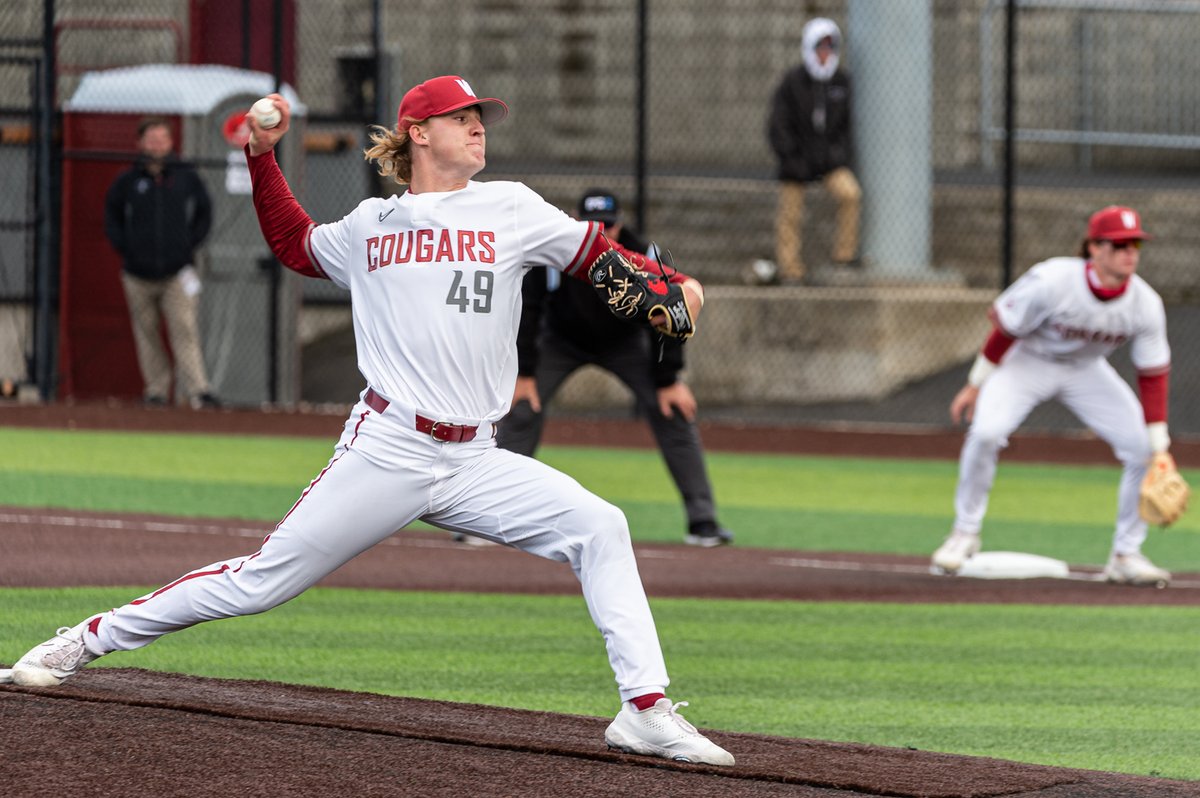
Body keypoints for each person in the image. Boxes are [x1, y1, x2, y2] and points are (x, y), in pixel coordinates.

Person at [9, 76, 734, 767]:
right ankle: (82, 641)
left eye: (480, 114)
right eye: (461, 116)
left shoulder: (513, 207)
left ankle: (644, 709)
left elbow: (596, 258)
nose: (478, 124)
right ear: (418, 133)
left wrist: (669, 284)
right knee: (260, 583)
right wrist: (262, 158)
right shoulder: (370, 224)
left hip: (476, 459)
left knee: (599, 525)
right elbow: (295, 244)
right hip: (387, 449)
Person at [932, 205, 1174, 587]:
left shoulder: (1145, 303)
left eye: (1135, 244)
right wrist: (976, 383)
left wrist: (1160, 443)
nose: (1130, 252)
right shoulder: (1053, 280)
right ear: (1093, 247)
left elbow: (1153, 374)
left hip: (1086, 370)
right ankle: (965, 533)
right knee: (986, 433)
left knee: (1143, 449)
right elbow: (1006, 330)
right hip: (1028, 362)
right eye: (1119, 244)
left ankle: (1126, 555)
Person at [493, 188, 733, 548]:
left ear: (620, 225)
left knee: (672, 410)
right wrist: (523, 374)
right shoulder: (557, 248)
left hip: (623, 343)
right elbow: (528, 308)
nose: (601, 232)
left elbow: (669, 315)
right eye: (592, 224)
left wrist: (669, 380)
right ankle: (491, 517)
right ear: (576, 221)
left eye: (608, 225)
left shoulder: (640, 252)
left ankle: (703, 521)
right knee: (520, 409)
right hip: (561, 341)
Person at [103, 117, 220, 408]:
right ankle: (156, 391)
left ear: (170, 142)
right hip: (137, 274)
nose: (157, 145)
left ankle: (197, 390)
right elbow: (112, 216)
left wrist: (188, 245)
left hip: (177, 273)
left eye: (162, 139)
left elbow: (204, 211)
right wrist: (127, 249)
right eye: (151, 140)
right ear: (141, 143)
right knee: (146, 333)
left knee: (184, 328)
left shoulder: (185, 175)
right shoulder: (128, 180)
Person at [766, 17, 861, 285]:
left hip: (828, 162)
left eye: (830, 49)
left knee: (850, 194)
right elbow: (778, 125)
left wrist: (835, 157)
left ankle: (844, 256)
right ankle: (790, 268)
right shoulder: (792, 82)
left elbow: (846, 129)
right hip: (797, 162)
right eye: (820, 49)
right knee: (790, 212)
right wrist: (793, 158)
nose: (825, 55)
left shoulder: (841, 82)